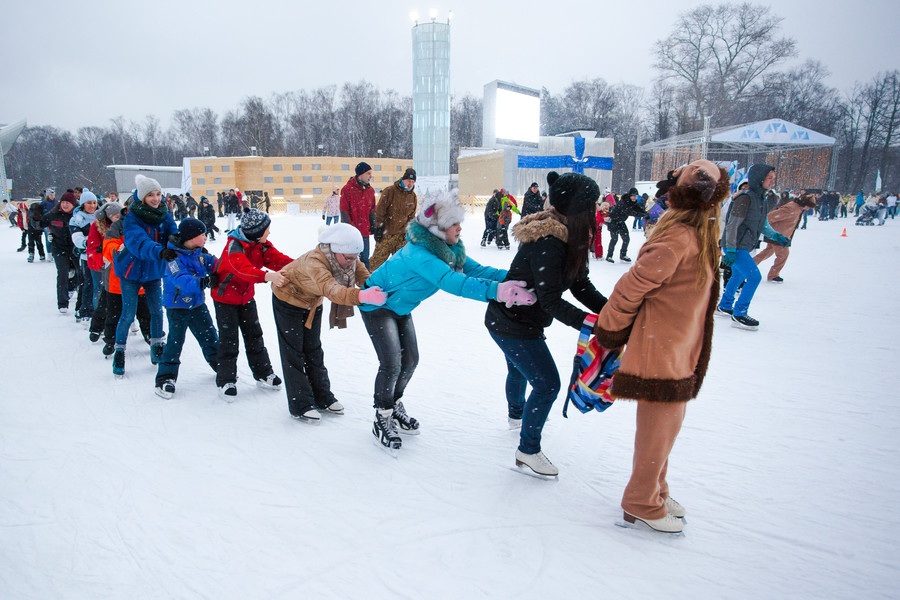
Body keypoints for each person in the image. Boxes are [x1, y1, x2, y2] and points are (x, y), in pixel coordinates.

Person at [592, 159, 730, 534]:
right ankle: (640, 502)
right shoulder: (680, 237)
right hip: (662, 347)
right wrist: (610, 330)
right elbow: (631, 285)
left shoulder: (697, 234)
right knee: (658, 430)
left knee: (666, 429)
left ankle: (655, 489)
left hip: (677, 345)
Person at [360, 191, 536, 451]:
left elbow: (477, 271)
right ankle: (382, 416)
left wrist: (518, 277)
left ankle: (394, 403)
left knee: (410, 360)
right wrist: (499, 292)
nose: (459, 227)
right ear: (437, 228)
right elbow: (452, 282)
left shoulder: (449, 250)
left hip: (401, 308)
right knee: (392, 362)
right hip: (377, 305)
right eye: (453, 223)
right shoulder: (419, 253)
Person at [485, 171, 608, 477]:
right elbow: (551, 299)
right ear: (577, 207)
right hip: (511, 321)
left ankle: (517, 416)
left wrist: (610, 311)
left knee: (519, 369)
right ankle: (528, 450)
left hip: (520, 319)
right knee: (547, 383)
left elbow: (581, 285)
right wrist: (593, 324)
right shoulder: (549, 240)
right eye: (591, 204)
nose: (596, 209)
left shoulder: (569, 235)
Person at [272, 224, 387, 422]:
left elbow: (364, 277)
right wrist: (362, 296)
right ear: (335, 250)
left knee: (314, 350)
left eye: (355, 257)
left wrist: (377, 289)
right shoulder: (315, 262)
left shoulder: (348, 257)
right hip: (288, 300)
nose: (353, 262)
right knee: (293, 352)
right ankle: (300, 404)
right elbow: (333, 290)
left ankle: (322, 397)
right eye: (349, 258)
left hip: (312, 303)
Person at [210, 209, 293, 400]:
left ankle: (263, 372)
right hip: (225, 299)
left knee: (255, 335)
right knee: (229, 340)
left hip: (246, 297)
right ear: (257, 232)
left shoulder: (260, 244)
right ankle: (226, 380)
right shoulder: (235, 247)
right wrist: (266, 275)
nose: (269, 233)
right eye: (267, 230)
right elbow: (243, 270)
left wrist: (299, 267)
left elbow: (278, 260)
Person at [110, 176, 178, 375]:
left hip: (153, 271)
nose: (156, 199)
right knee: (128, 313)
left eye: (158, 194)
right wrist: (159, 251)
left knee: (157, 311)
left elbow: (173, 235)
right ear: (142, 197)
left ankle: (157, 345)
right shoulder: (132, 217)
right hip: (131, 270)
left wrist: (187, 245)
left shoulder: (165, 214)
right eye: (150, 195)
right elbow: (138, 242)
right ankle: (119, 350)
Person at [154, 218, 219, 399]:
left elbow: (216, 265)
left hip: (197, 304)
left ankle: (220, 365)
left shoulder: (199, 254)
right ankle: (165, 378)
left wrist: (224, 267)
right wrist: (204, 281)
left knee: (209, 336)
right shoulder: (173, 258)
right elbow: (182, 280)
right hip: (177, 307)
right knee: (175, 342)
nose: (206, 238)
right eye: (202, 235)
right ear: (191, 237)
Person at [718, 164, 776, 331]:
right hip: (735, 246)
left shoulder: (761, 199)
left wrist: (776, 236)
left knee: (738, 274)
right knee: (754, 277)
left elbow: (763, 224)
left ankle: (725, 305)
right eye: (769, 177)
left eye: (773, 178)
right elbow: (732, 225)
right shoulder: (745, 198)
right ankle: (740, 313)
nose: (772, 181)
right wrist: (730, 249)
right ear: (759, 178)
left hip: (743, 245)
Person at [754, 193, 817, 283]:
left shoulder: (798, 208)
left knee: (767, 252)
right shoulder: (791, 208)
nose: (809, 209)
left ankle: (749, 265)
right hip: (778, 236)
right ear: (805, 203)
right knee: (783, 255)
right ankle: (773, 275)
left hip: (780, 235)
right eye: (809, 207)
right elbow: (771, 216)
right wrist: (765, 227)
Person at [86, 201, 123, 343]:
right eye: (115, 216)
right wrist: (104, 260)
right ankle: (97, 327)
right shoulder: (97, 228)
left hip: (122, 267)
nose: (118, 218)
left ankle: (132, 324)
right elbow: (93, 248)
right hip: (107, 268)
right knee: (105, 299)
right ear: (107, 218)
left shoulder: (125, 226)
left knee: (133, 297)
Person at [370, 168, 418, 270]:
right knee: (376, 264)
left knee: (400, 265)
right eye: (408, 181)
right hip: (386, 234)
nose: (410, 184)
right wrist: (379, 228)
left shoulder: (412, 197)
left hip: (402, 236)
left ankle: (396, 285)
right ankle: (370, 283)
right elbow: (379, 212)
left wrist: (410, 232)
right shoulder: (390, 191)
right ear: (403, 179)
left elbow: (411, 217)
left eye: (413, 182)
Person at [41, 190, 78, 313]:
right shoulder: (53, 214)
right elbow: (39, 223)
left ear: (74, 204)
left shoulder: (78, 215)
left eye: (68, 203)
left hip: (75, 248)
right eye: (63, 202)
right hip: (59, 247)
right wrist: (48, 233)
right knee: (62, 274)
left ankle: (72, 286)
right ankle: (62, 303)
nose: (65, 205)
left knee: (79, 273)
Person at [69, 189, 99, 324]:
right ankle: (86, 309)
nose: (92, 206)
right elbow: (77, 238)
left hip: (102, 256)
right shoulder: (77, 219)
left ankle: (97, 309)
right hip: (87, 257)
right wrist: (90, 242)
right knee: (88, 283)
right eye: (89, 203)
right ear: (82, 204)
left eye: (94, 203)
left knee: (101, 285)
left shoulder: (101, 217)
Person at [340, 162, 377, 269]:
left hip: (365, 232)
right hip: (352, 233)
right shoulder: (347, 189)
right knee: (350, 260)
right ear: (361, 174)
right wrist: (348, 229)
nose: (371, 176)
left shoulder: (371, 190)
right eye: (368, 173)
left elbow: (372, 209)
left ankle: (365, 283)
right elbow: (344, 211)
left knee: (365, 259)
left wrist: (373, 223)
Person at [605, 188, 647, 263]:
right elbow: (630, 212)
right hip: (613, 221)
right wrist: (642, 215)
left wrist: (646, 213)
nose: (634, 198)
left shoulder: (633, 202)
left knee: (626, 238)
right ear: (630, 196)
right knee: (614, 239)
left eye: (636, 196)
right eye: (633, 196)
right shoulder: (624, 202)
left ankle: (623, 255)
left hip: (621, 221)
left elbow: (638, 209)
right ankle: (609, 256)